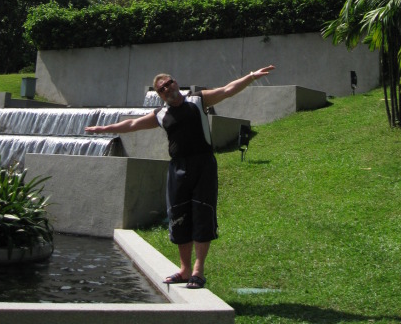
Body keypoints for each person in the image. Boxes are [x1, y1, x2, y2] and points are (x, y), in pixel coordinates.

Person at [85, 64, 275, 288]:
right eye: (161, 88)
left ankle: (198, 271)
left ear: (176, 83)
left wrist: (251, 76)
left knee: (203, 213)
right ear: (160, 95)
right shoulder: (161, 114)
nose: (167, 88)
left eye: (169, 83)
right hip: (178, 169)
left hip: (204, 164)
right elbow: (133, 124)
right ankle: (184, 270)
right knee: (178, 216)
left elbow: (227, 90)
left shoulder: (197, 100)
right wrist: (105, 129)